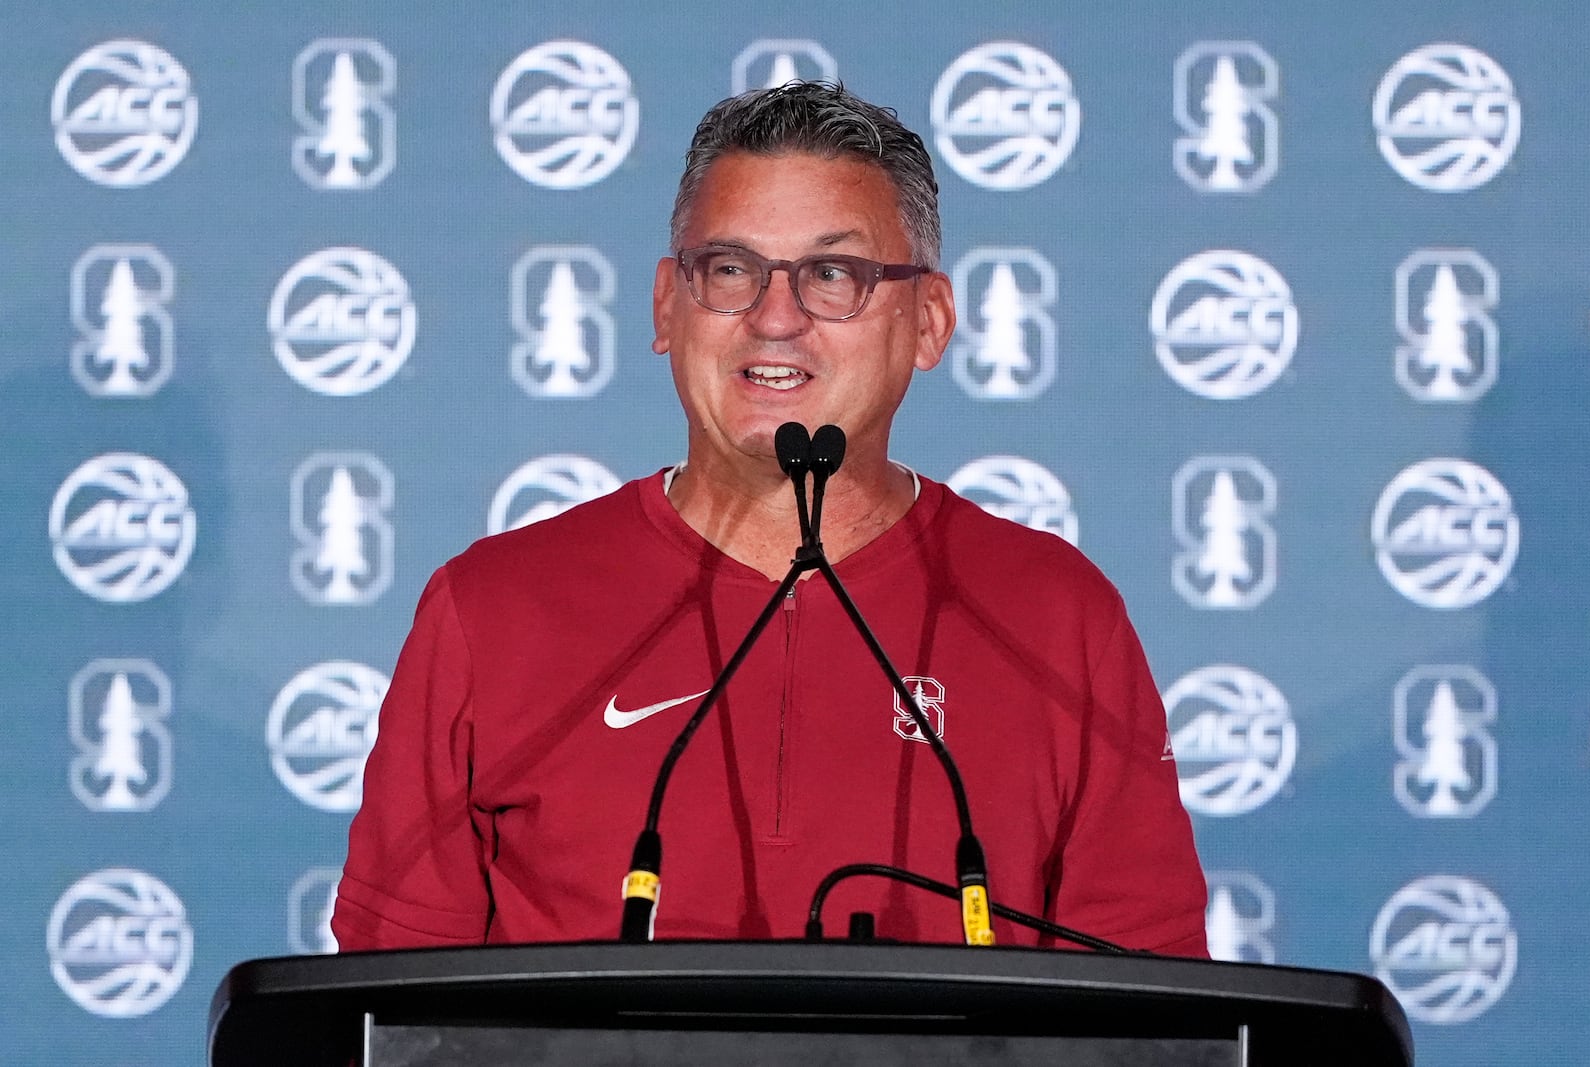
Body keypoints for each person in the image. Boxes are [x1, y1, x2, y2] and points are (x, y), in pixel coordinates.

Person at [333, 82, 1208, 955]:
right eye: (730, 271)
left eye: (835, 274)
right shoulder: (492, 608)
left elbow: (1154, 1013)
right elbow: (385, 1014)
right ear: (667, 308)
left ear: (930, 321)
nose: (775, 317)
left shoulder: (1057, 617)